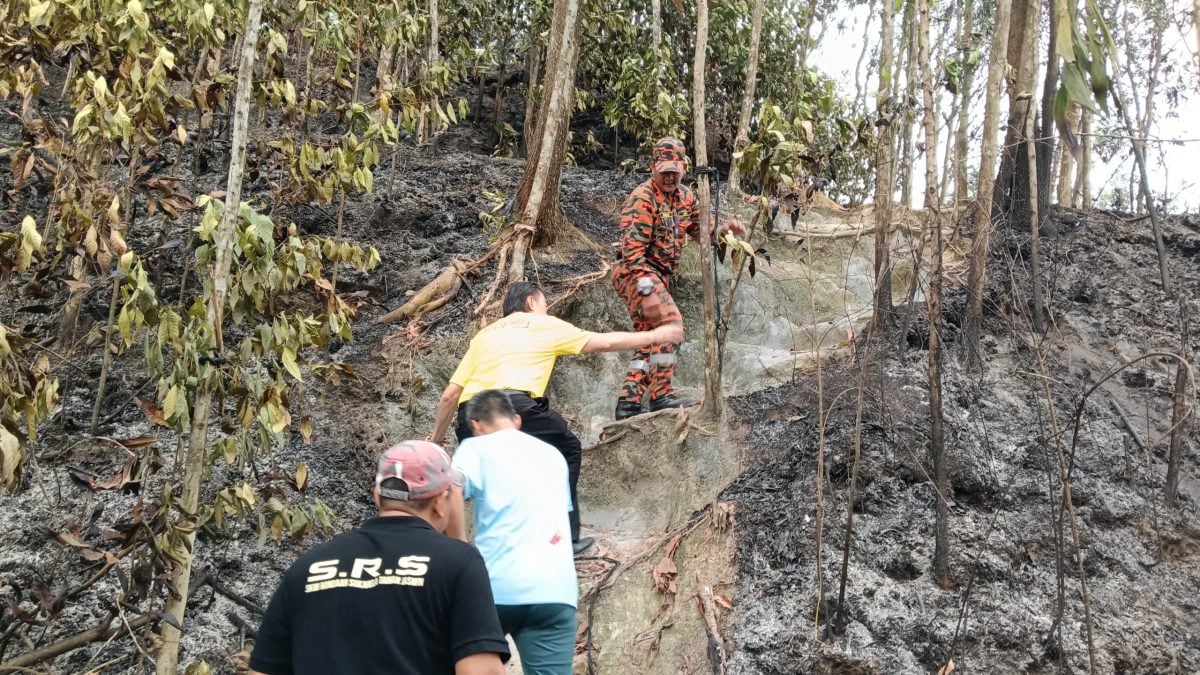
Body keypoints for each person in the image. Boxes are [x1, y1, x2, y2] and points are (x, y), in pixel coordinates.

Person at [428, 281, 683, 554]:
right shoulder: (544, 325)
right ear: (530, 303)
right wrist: (655, 336)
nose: (546, 310)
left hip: (470, 415)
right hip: (514, 407)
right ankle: (567, 539)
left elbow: (450, 395)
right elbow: (605, 342)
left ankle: (437, 540)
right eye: (544, 304)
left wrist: (437, 440)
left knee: (476, 476)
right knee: (567, 449)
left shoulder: (485, 335)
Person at [249, 441, 510, 675]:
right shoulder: (458, 562)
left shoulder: (309, 566)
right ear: (441, 502)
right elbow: (482, 671)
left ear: (377, 497)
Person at [611, 137, 745, 421]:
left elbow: (702, 232)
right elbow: (632, 254)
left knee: (650, 339)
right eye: (664, 171)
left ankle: (628, 402)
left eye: (675, 170)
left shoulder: (686, 197)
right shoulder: (642, 198)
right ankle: (661, 395)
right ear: (652, 168)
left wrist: (724, 230)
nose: (670, 176)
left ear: (684, 168)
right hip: (637, 274)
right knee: (670, 325)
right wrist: (646, 291)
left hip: (659, 277)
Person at [447, 390, 578, 675]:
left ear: (476, 425)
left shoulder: (474, 448)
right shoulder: (552, 455)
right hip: (555, 590)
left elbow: (451, 486)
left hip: (493, 589)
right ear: (517, 420)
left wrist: (459, 545)